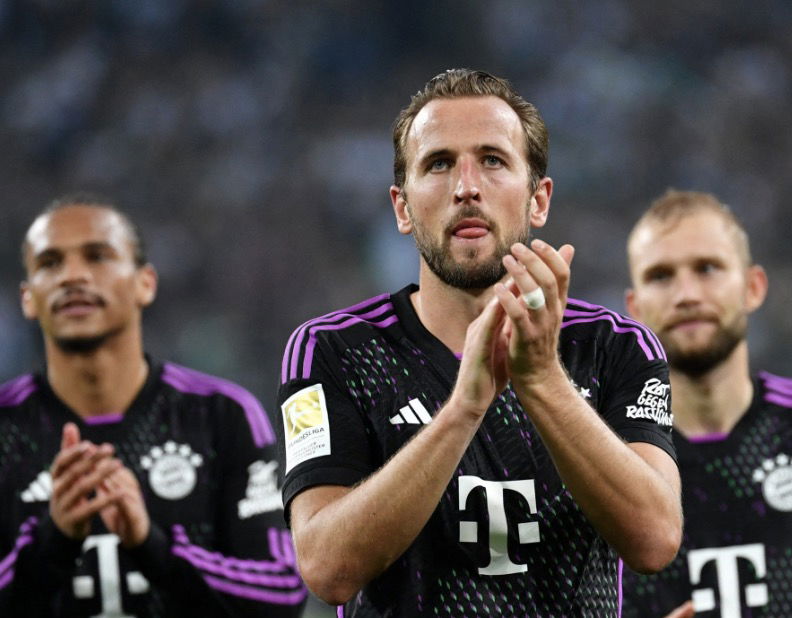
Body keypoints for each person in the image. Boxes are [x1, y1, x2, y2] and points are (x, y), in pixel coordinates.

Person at [277, 68, 682, 616]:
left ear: (539, 200)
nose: (466, 186)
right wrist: (462, 409)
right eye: (439, 163)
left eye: (492, 160)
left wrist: (540, 380)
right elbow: (328, 569)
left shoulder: (616, 348)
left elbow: (655, 539)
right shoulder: (331, 352)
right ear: (402, 207)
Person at [0, 194, 307, 616]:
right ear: (28, 298)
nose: (72, 276)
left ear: (145, 283)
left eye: (97, 256)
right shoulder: (7, 427)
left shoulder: (221, 415)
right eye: (50, 263)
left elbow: (282, 595)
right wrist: (51, 541)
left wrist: (152, 545)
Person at [622, 189, 792, 618]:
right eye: (661, 275)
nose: (687, 294)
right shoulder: (605, 450)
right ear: (634, 308)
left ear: (753, 287)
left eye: (708, 268)